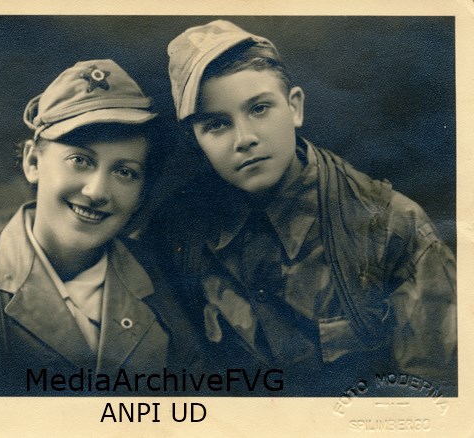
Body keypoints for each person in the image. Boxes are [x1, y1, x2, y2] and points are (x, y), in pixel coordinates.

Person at [144, 20, 457, 396]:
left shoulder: (392, 227)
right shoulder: (180, 232)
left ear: (294, 107)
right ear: (196, 140)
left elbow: (434, 396)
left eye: (260, 108)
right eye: (216, 124)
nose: (245, 139)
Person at [0, 59, 201, 396]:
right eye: (80, 160)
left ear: (140, 192)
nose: (96, 192)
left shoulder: (164, 275)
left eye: (124, 172)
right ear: (33, 162)